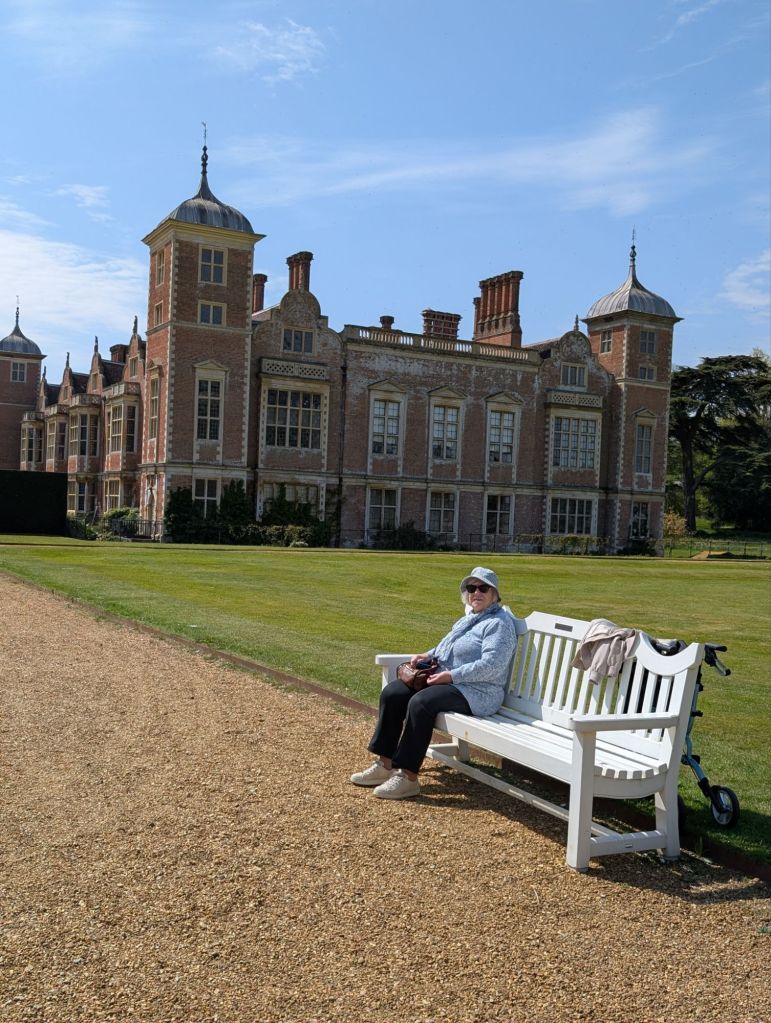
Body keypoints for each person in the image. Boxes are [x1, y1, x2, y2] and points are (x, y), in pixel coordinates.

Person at [350, 567, 518, 800]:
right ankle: (384, 764)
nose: (476, 593)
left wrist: (451, 676)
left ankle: (407, 777)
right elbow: (445, 648)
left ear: (495, 594)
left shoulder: (499, 624)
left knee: (421, 703)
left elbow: (493, 665)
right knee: (393, 693)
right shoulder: (469, 618)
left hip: (479, 691)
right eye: (471, 588)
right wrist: (428, 656)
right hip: (449, 683)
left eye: (483, 588)